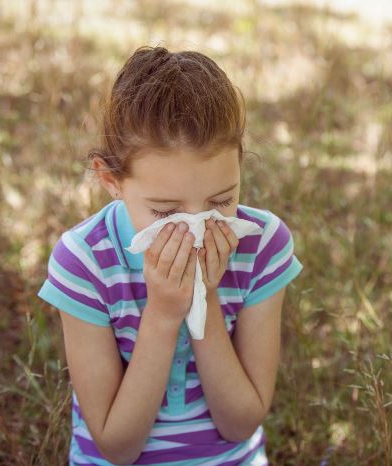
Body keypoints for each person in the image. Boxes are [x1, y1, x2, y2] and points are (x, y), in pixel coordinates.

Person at [36, 45, 304, 465]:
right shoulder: (84, 261)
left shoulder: (263, 245)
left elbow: (240, 424)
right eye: (164, 211)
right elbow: (116, 447)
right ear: (111, 180)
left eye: (221, 201)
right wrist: (163, 314)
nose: (196, 230)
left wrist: (205, 301)